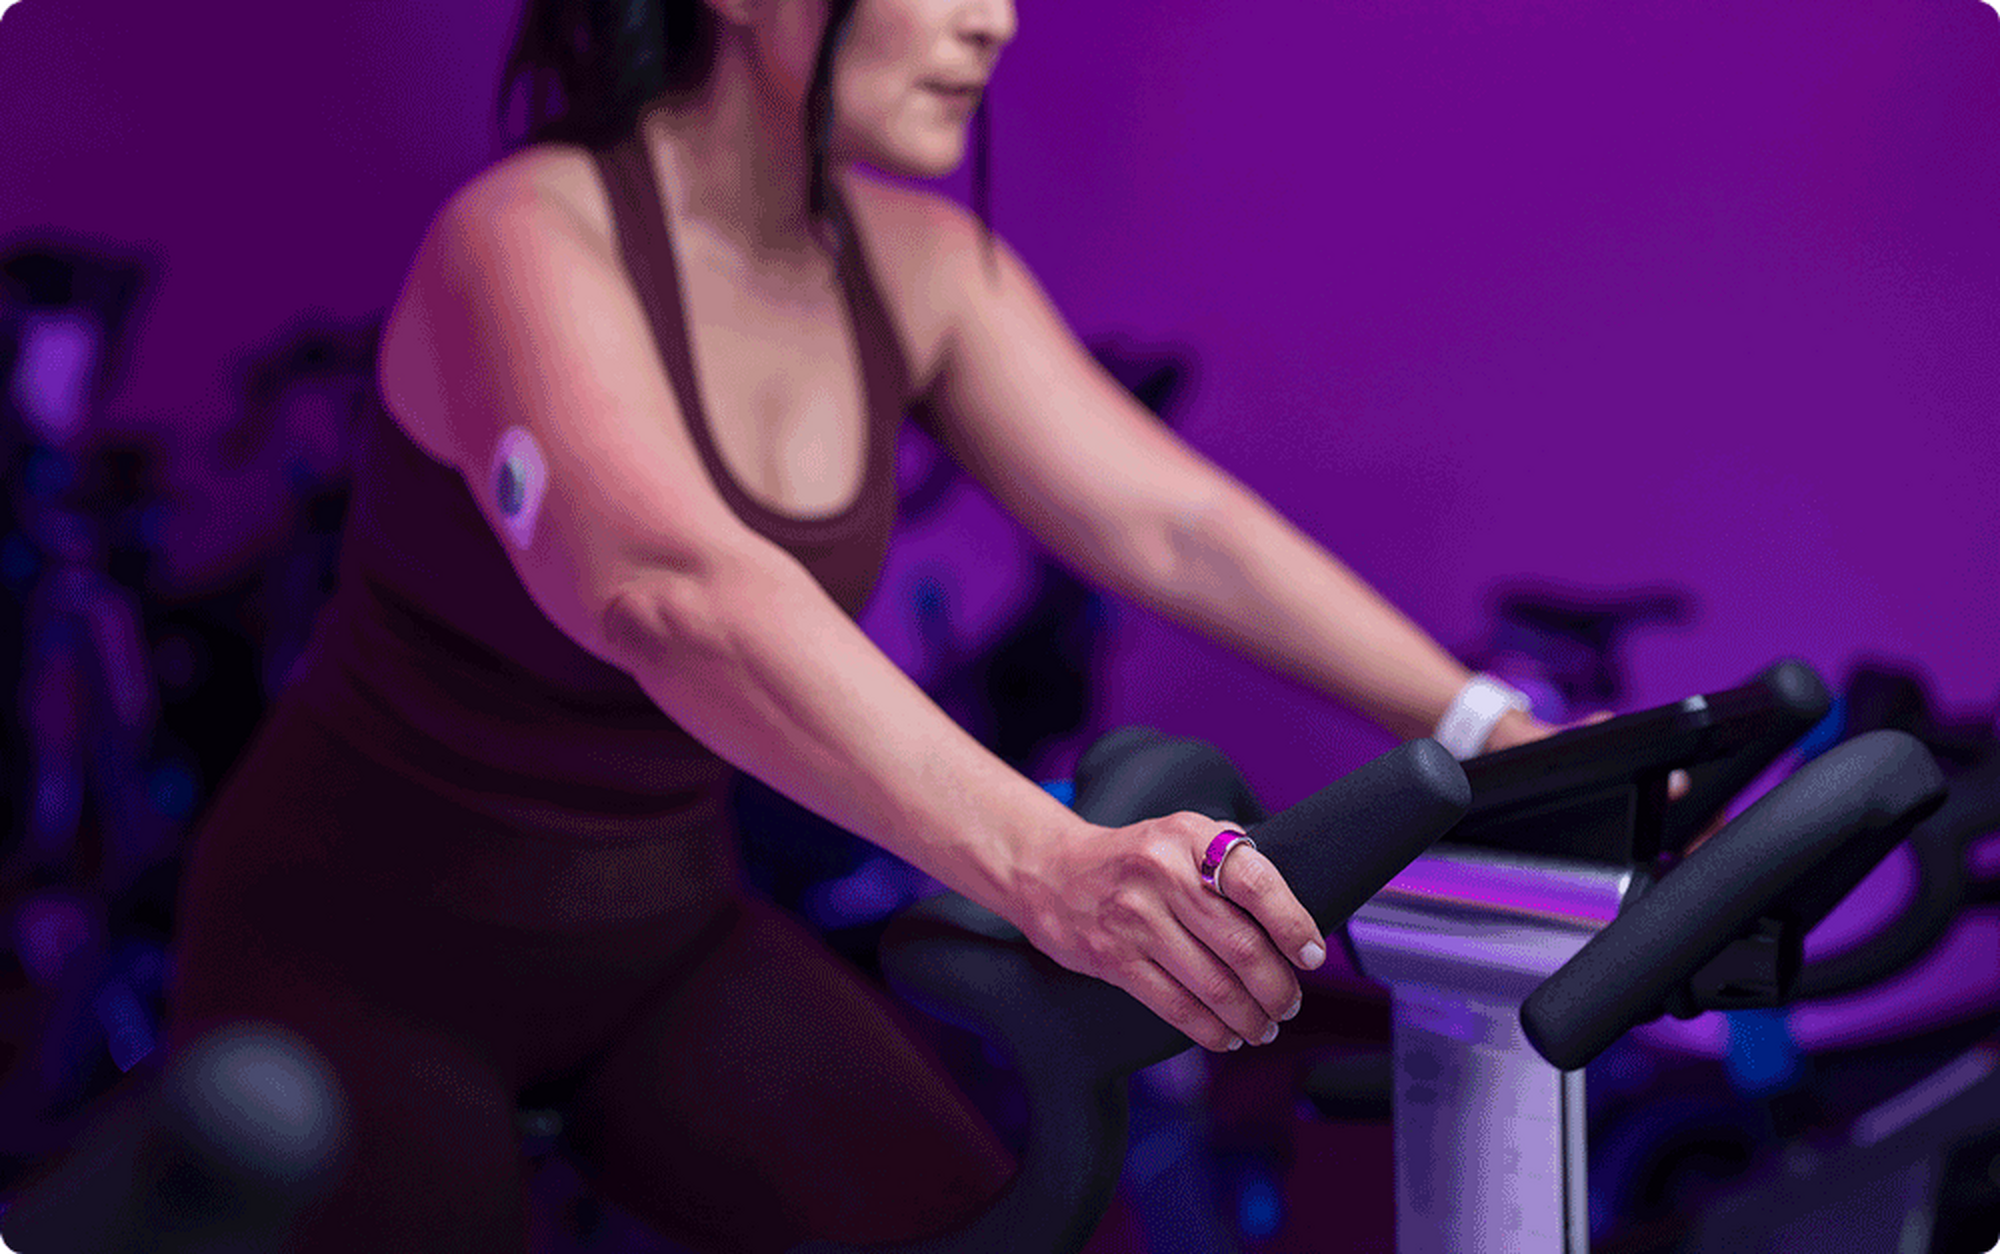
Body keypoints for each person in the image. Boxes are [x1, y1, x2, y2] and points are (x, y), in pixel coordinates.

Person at [161, 1, 1571, 1252]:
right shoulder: (523, 241)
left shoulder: (918, 264)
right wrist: (1053, 862)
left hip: (656, 938)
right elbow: (670, 590)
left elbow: (1172, 527)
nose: (999, 21)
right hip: (363, 956)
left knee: (1007, 1220)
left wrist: (1491, 727)